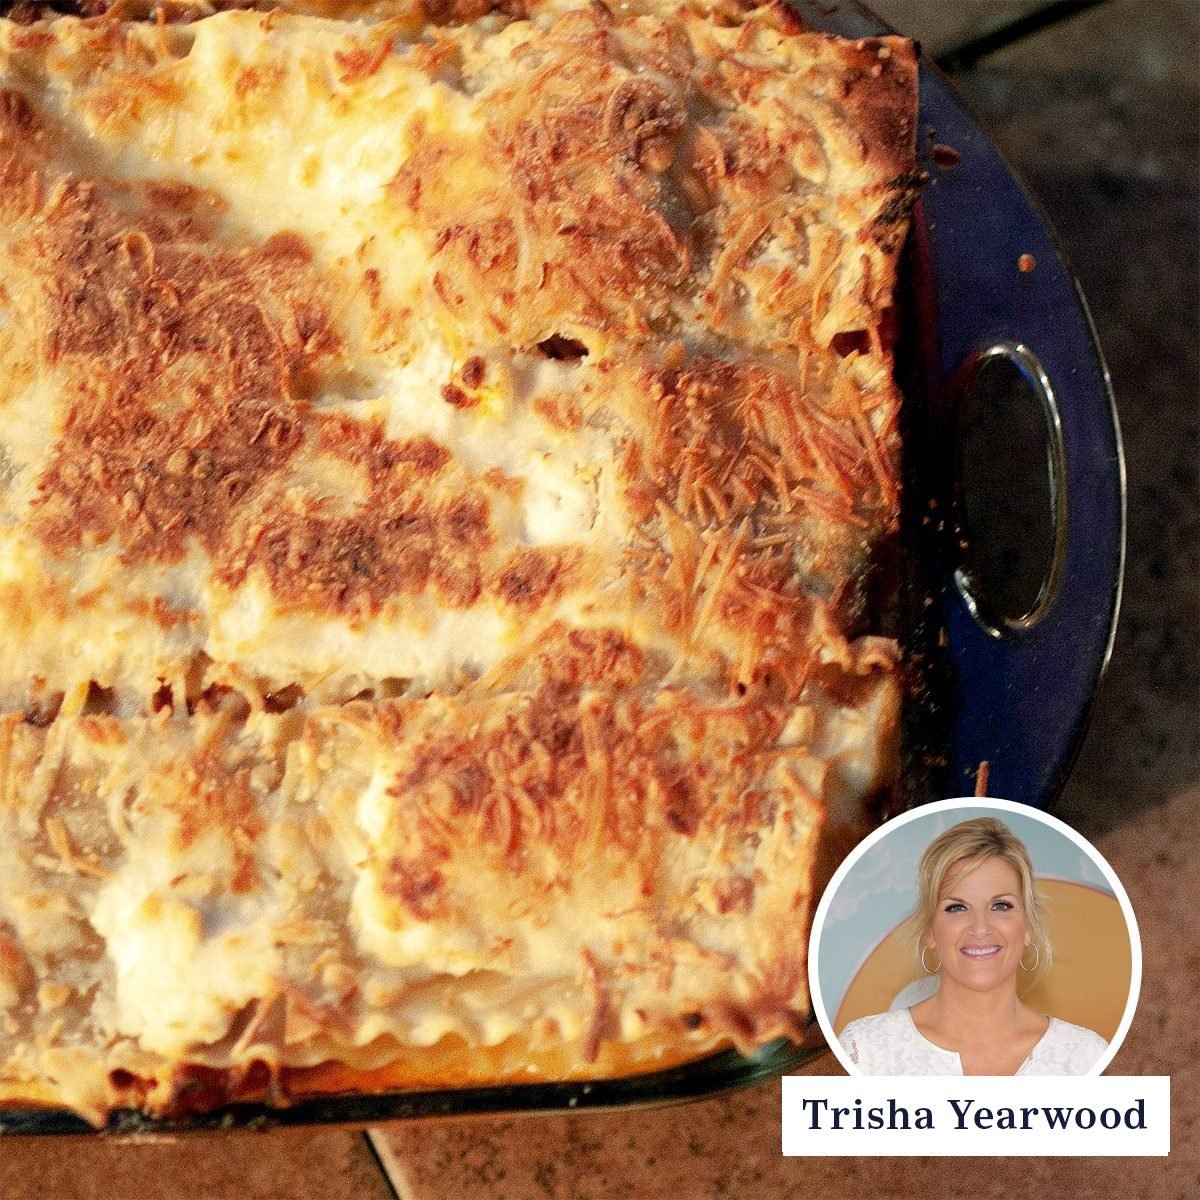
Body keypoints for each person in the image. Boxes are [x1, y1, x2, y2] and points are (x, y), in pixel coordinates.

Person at [838, 817, 1108, 1076]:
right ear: (930, 931)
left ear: (1028, 926)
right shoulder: (865, 1051)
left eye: (1000, 906)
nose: (980, 928)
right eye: (957, 907)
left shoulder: (1085, 1056)